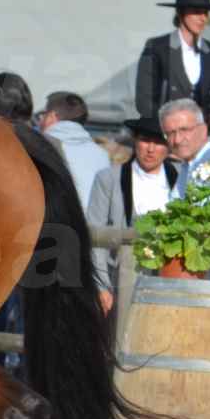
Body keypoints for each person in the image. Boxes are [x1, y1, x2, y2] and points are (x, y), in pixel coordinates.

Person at [87, 117, 176, 315]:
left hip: (166, 279)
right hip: (120, 281)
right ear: (135, 141)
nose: (151, 149)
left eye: (159, 142)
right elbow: (94, 235)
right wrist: (101, 286)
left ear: (169, 145)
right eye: (145, 140)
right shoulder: (108, 178)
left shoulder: (179, 179)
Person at [135, 0, 210, 119]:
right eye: (197, 12)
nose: (203, 18)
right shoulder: (157, 48)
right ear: (180, 13)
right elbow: (144, 101)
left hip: (201, 132)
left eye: (206, 13)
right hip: (162, 131)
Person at [37, 91, 111, 214]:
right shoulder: (102, 155)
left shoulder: (40, 148)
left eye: (43, 115)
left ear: (52, 116)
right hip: (93, 228)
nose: (40, 120)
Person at [159, 97, 210, 199]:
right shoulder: (187, 165)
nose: (177, 140)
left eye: (184, 130)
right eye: (170, 133)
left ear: (203, 130)